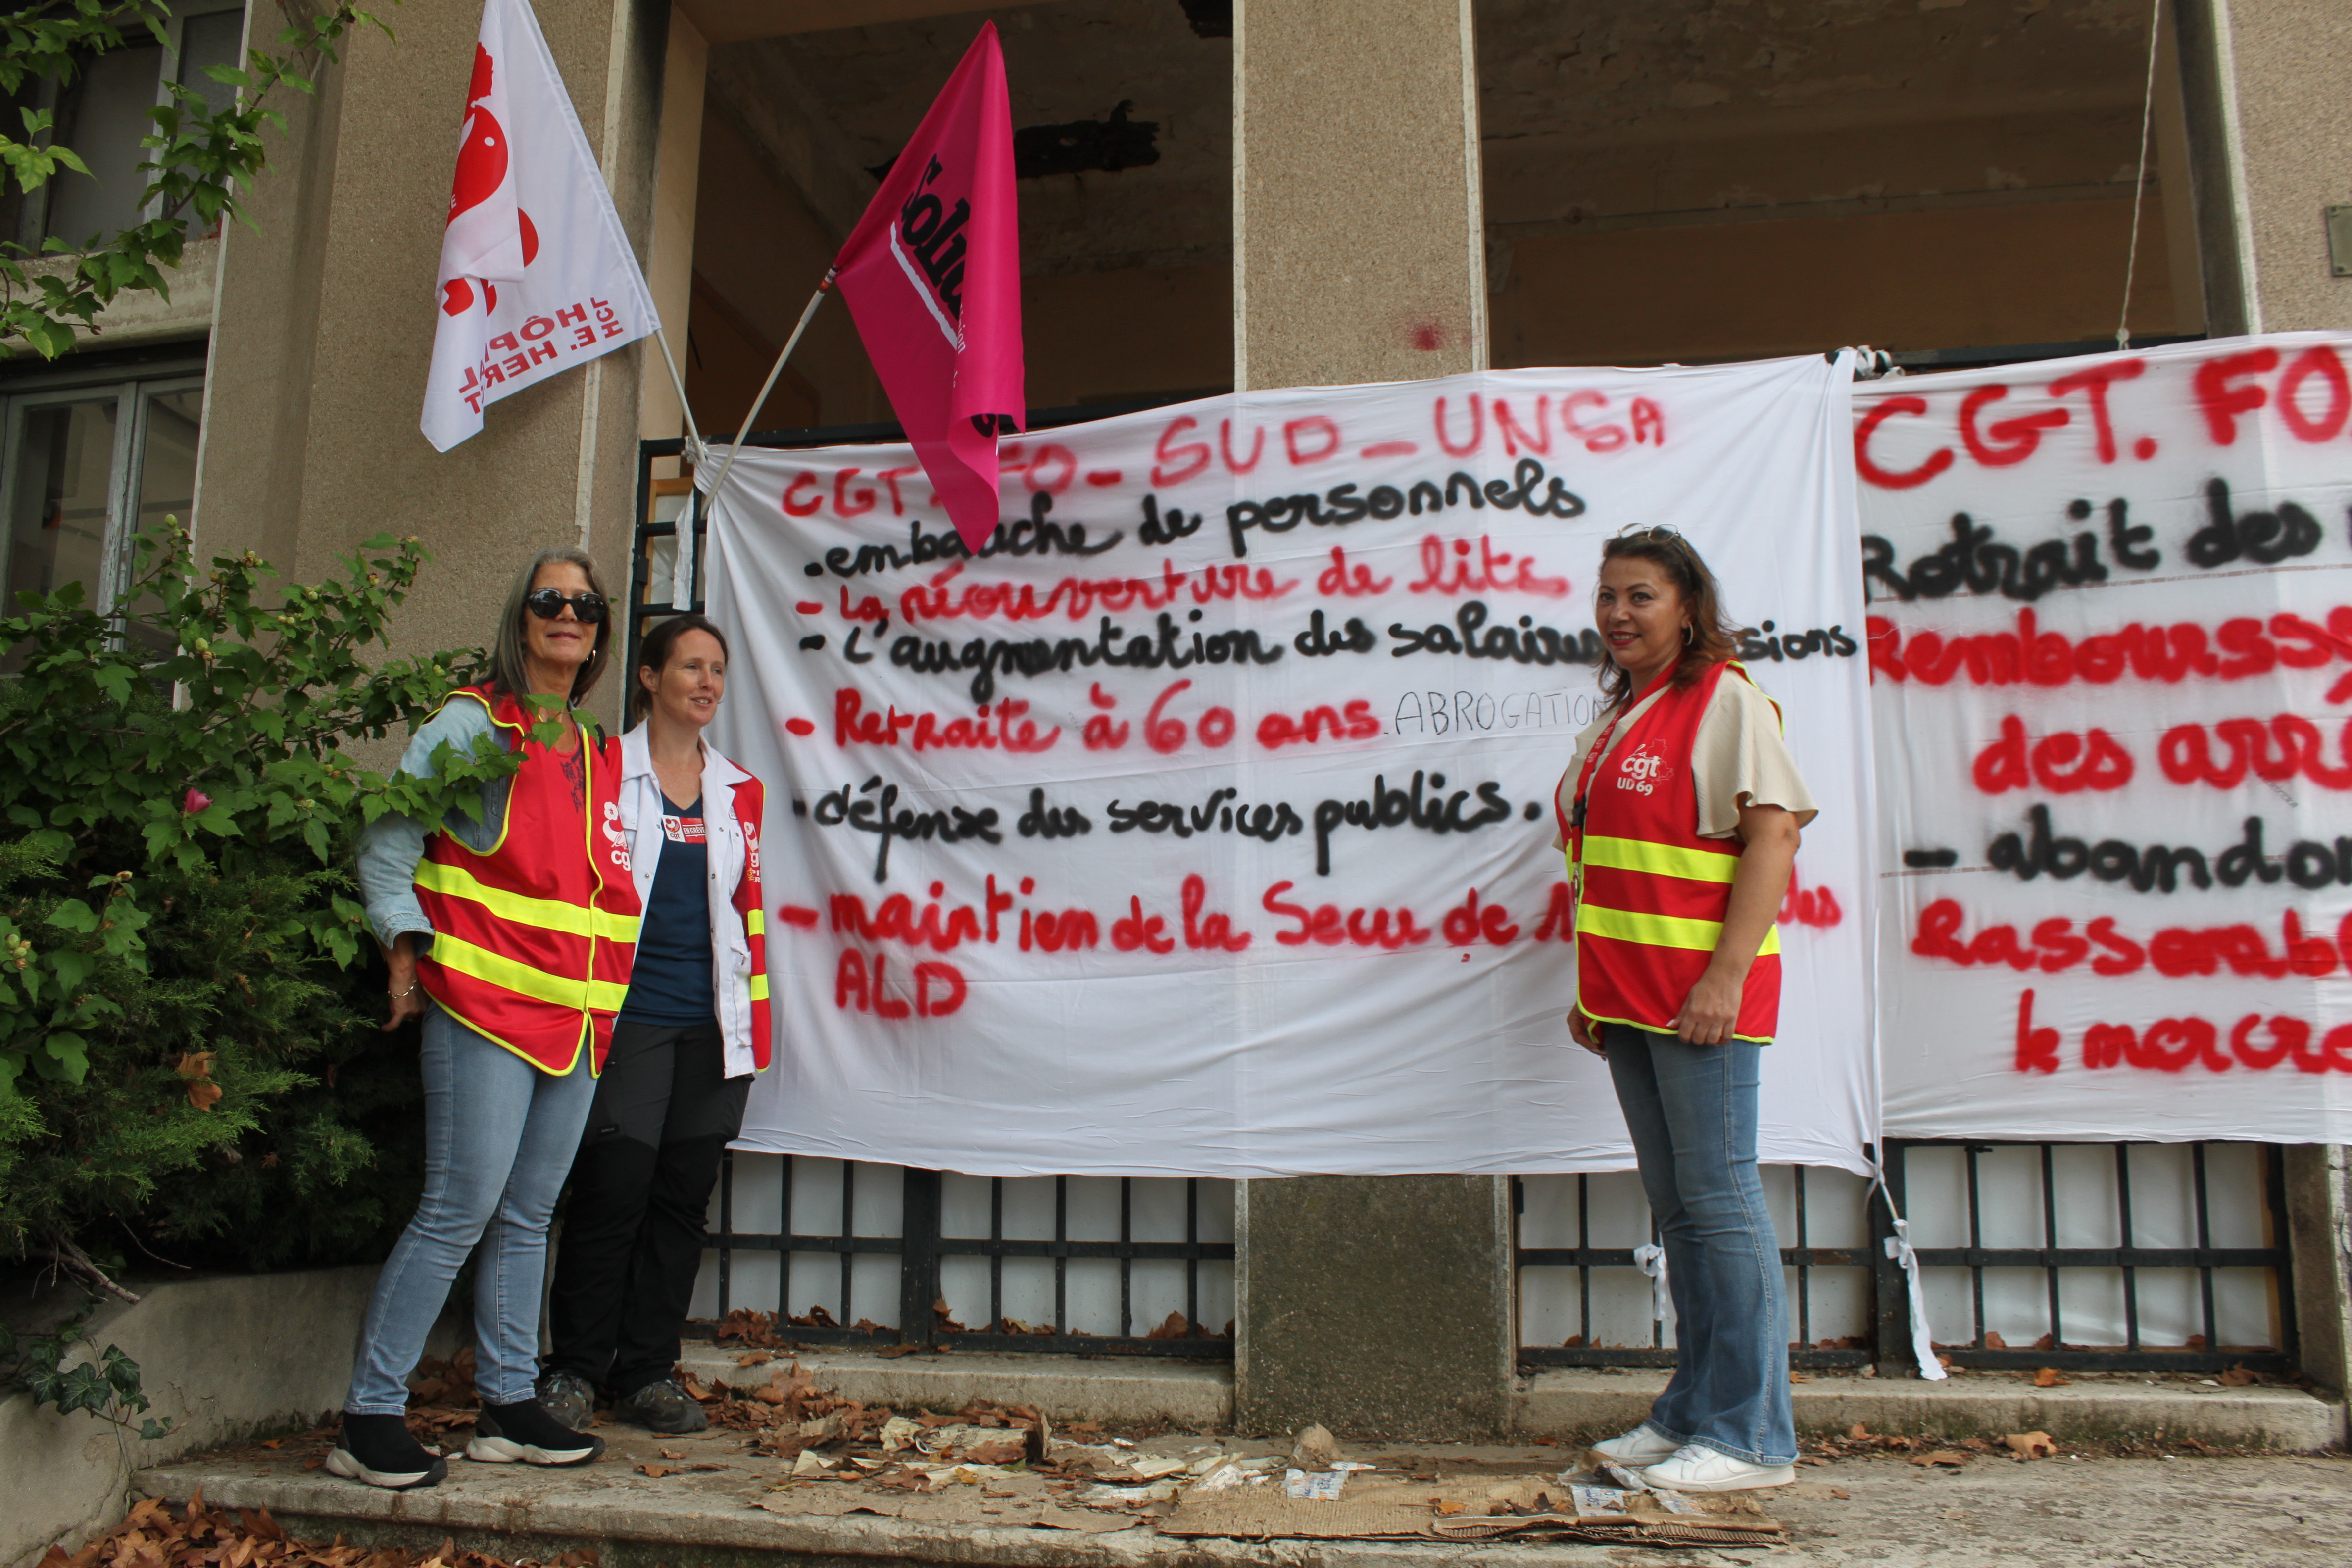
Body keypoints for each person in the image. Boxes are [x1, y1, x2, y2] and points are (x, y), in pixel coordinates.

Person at [333, 547, 638, 1491]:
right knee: (456, 1210)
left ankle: (508, 1406)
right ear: (521, 617)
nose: (569, 615)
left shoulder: (595, 748)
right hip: (485, 1008)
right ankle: (368, 1417)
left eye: (586, 605)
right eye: (550, 599)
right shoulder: (473, 723)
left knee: (528, 1215)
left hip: (577, 1022)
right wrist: (401, 946)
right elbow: (390, 839)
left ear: (600, 631)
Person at [1554, 526, 1816, 1494]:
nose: (1618, 613)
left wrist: (1725, 978)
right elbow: (1610, 866)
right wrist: (1593, 991)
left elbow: (1773, 838)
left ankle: (1754, 1439)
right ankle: (1694, 1411)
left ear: (1689, 609)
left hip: (1702, 1002)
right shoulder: (1629, 715)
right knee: (1683, 1213)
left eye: (1642, 596)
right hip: (1630, 1001)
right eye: (1608, 596)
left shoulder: (1724, 701)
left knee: (1721, 1202)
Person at [537, 614, 770, 1435]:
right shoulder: (602, 769)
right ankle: (573, 1371)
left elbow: (741, 910)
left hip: (713, 1026)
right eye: (691, 667)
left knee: (680, 1204)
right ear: (648, 676)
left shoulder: (739, 790)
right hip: (627, 1018)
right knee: (613, 1193)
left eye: (718, 670)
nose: (708, 683)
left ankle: (645, 1374)